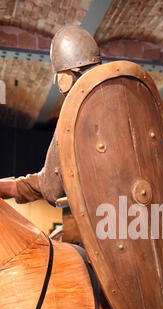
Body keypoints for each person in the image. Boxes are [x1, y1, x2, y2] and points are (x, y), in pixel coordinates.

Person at [0, 25, 102, 206]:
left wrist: (9, 187)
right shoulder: (133, 93)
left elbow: (51, 186)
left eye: (60, 77)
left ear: (67, 74)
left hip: (102, 219)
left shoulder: (74, 112)